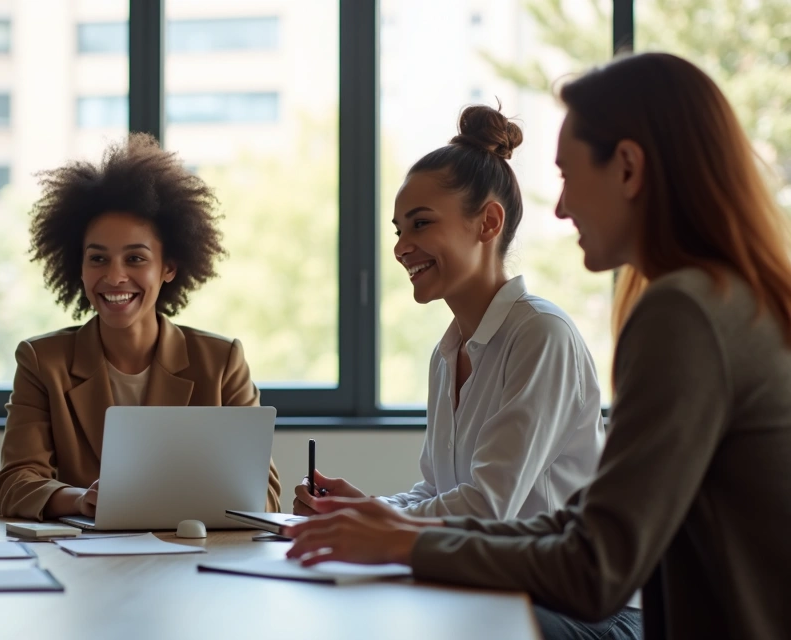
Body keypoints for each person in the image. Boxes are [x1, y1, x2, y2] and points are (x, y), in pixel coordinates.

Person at [283, 52, 791, 640]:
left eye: (569, 176)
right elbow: (578, 524)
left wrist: (405, 540)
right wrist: (392, 529)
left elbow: (592, 565)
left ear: (627, 168)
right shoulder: (722, 301)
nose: (560, 206)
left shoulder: (683, 314)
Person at [293, 104, 606, 525]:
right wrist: (362, 508)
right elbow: (438, 493)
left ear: (488, 223)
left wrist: (371, 519)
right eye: (398, 230)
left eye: (420, 224)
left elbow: (487, 506)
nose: (401, 247)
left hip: (541, 588)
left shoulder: (541, 335)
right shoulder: (448, 352)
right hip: (472, 579)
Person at [0, 134, 282, 520]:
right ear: (77, 267)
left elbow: (264, 497)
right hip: (83, 567)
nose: (114, 277)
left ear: (168, 267)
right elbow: (15, 484)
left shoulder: (222, 362)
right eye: (97, 258)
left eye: (135, 258)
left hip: (193, 563)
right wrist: (80, 499)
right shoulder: (42, 362)